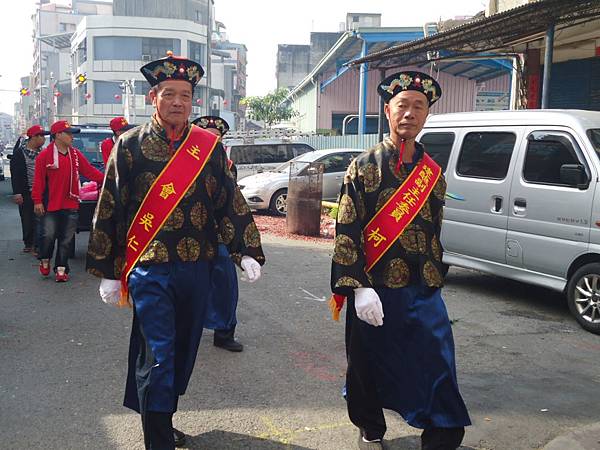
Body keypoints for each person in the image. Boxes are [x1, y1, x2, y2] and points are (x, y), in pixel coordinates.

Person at [86, 52, 265, 450]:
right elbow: (110, 207)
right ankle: (158, 440)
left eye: (185, 95)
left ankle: (161, 419)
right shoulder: (129, 146)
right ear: (154, 97)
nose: (178, 102)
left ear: (193, 101)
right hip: (150, 269)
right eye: (170, 94)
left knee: (181, 354)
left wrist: (245, 249)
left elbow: (228, 201)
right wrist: (111, 271)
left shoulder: (208, 147)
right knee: (161, 356)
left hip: (197, 266)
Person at [329, 71, 471, 450]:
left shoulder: (432, 173)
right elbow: (347, 228)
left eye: (418, 107)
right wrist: (357, 287)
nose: (409, 113)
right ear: (388, 111)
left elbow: (433, 230)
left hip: (421, 287)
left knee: (437, 361)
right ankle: (370, 428)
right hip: (373, 287)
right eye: (402, 105)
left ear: (425, 116)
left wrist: (436, 272)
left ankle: (442, 434)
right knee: (366, 364)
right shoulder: (362, 167)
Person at [192, 115, 243, 352]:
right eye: (208, 137)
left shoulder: (228, 166)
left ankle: (224, 331)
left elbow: (233, 203)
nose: (213, 142)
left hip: (219, 235)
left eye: (217, 138)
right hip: (189, 233)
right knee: (188, 284)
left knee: (225, 282)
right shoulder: (182, 165)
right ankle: (184, 330)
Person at [32, 120, 104, 282]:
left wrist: (108, 179)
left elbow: (90, 171)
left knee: (66, 238)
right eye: (69, 133)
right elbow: (38, 182)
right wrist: (37, 201)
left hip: (71, 203)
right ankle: (45, 259)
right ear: (58, 135)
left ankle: (61, 268)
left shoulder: (76, 155)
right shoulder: (44, 156)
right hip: (50, 204)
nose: (72, 137)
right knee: (48, 235)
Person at [10, 125, 48, 253]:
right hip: (26, 192)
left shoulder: (44, 153)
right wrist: (17, 193)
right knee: (27, 218)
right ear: (34, 137)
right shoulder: (19, 154)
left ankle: (38, 244)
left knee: (40, 219)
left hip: (41, 191)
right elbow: (15, 175)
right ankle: (29, 243)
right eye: (41, 136)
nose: (44, 139)